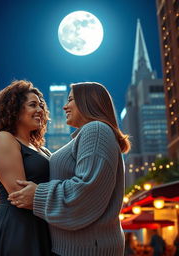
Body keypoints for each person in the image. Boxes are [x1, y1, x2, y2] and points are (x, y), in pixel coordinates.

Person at [9, 82, 131, 256]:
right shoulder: (89, 134)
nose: (65, 106)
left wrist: (38, 195)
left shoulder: (95, 130)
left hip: (86, 249)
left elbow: (88, 191)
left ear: (88, 102)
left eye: (71, 99)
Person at [0, 80, 52, 256]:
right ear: (14, 109)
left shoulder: (41, 149)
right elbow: (21, 196)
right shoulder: (4, 138)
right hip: (15, 228)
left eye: (41, 105)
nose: (40, 110)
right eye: (33, 105)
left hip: (38, 225)